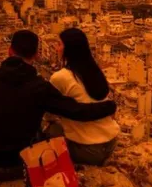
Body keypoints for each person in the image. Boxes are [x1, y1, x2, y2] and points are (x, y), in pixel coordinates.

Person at [0, 29, 117, 182]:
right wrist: (109, 107)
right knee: (47, 129)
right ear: (36, 55)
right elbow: (77, 111)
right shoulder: (40, 88)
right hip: (20, 166)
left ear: (9, 51)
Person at [48, 28, 119, 166]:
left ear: (69, 49)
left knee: (50, 127)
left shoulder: (60, 77)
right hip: (111, 144)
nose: (57, 48)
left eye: (60, 44)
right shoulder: (95, 72)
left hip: (87, 151)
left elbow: (50, 113)